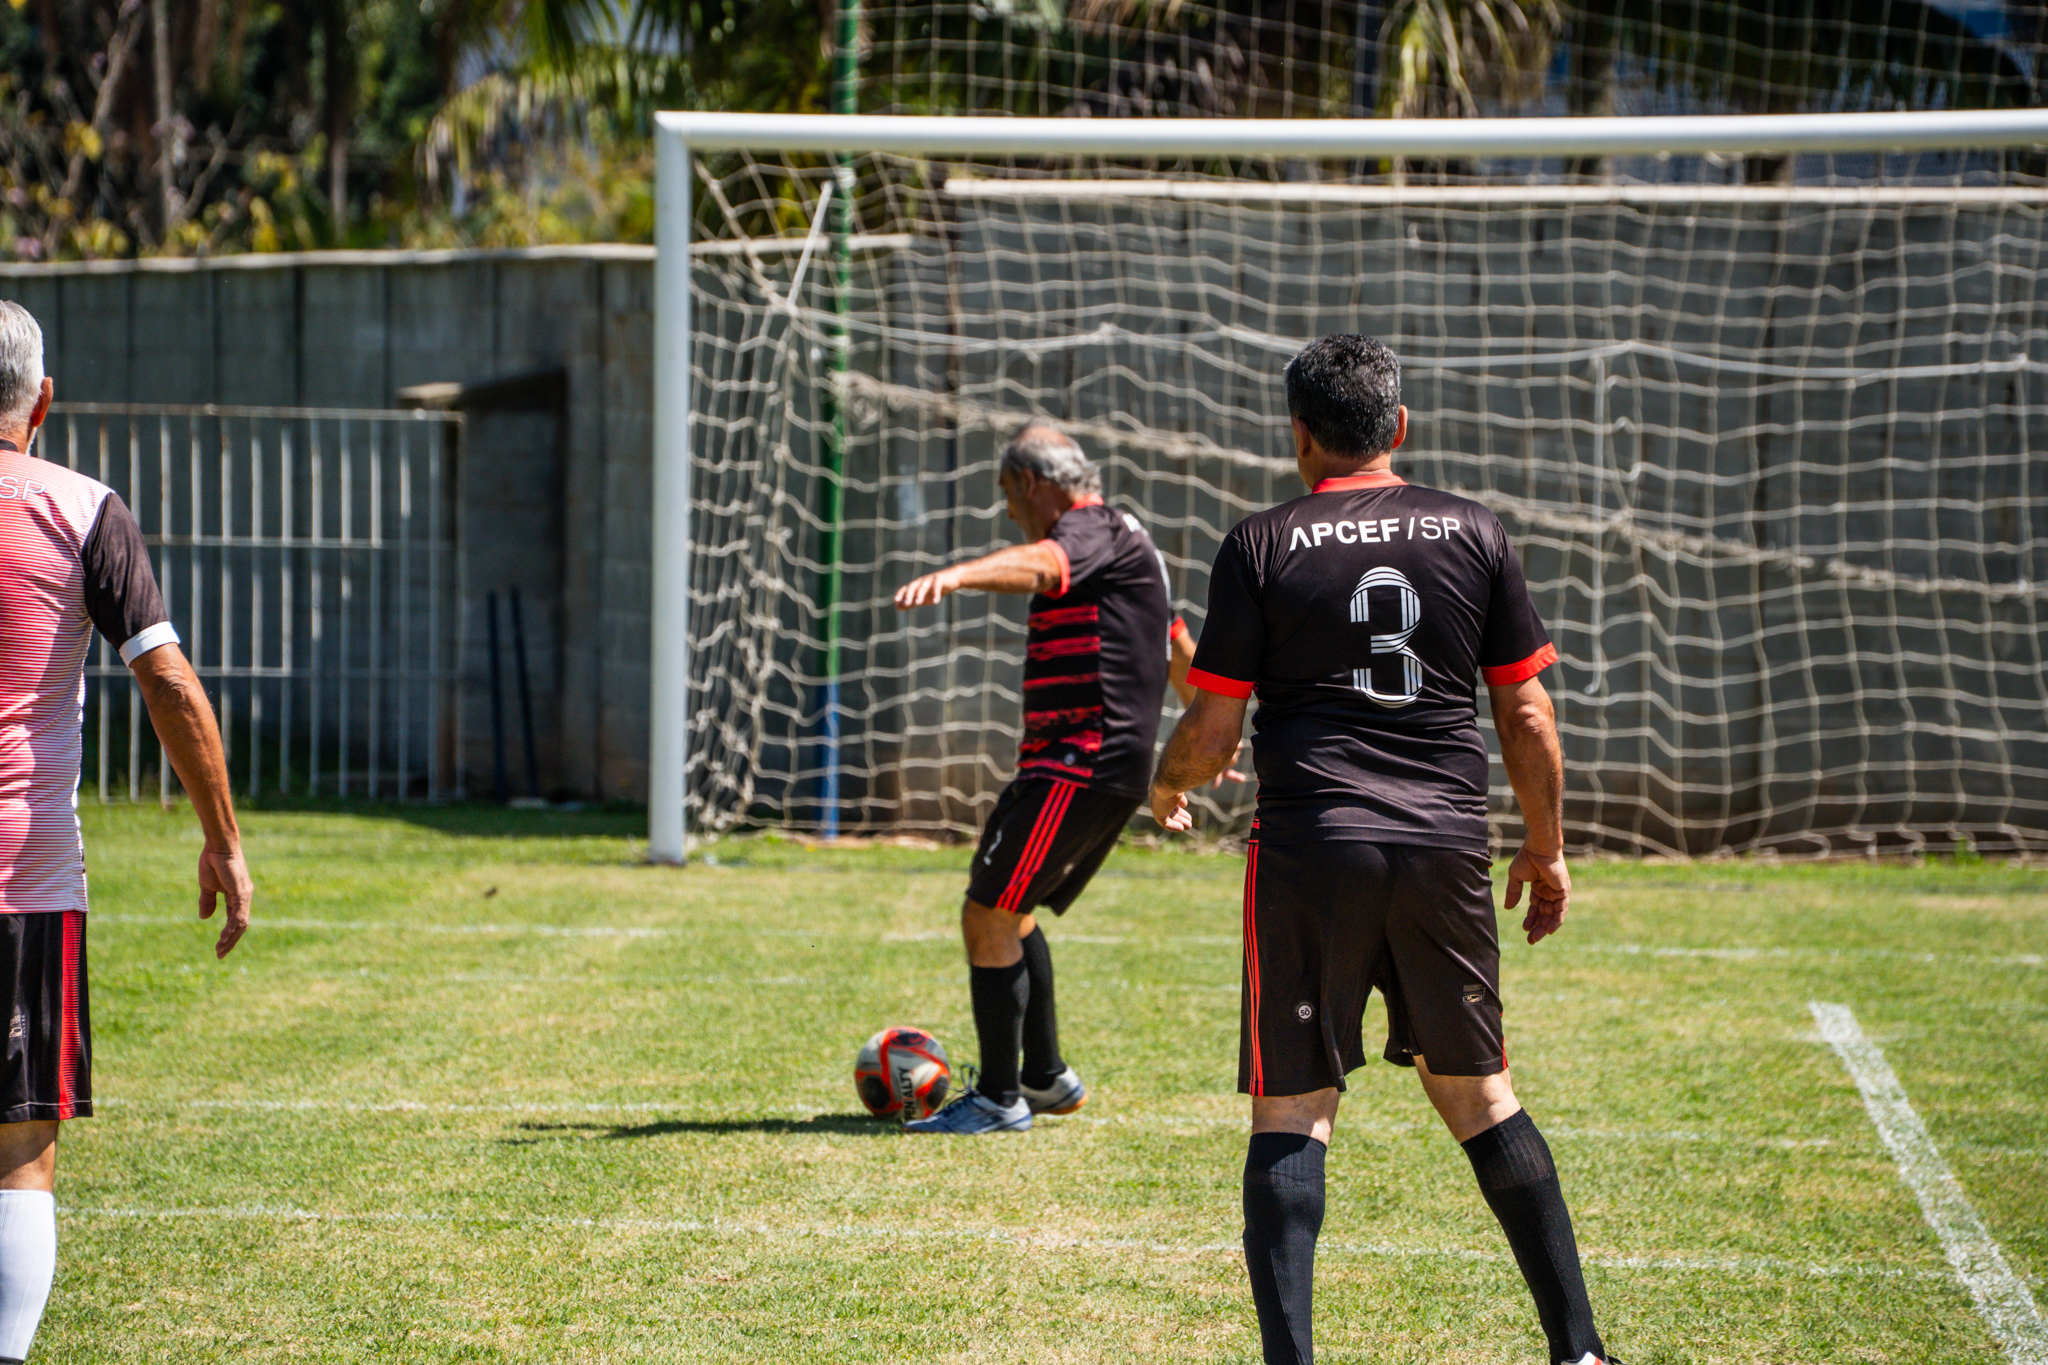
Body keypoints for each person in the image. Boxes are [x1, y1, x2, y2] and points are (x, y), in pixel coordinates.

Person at [1148, 335, 1621, 1365]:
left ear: (1298, 435)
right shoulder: (1475, 530)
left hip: (1310, 845)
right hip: (1443, 844)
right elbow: (1527, 715)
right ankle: (1580, 1352)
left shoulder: (1259, 543)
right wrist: (1544, 850)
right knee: (1480, 1095)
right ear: (1398, 426)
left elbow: (1215, 733)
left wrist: (1167, 781)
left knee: (1293, 1106)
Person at [0, 300, 253, 1363]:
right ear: (44, 402)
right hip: (23, 877)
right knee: (19, 1149)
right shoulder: (84, 510)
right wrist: (223, 840)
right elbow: (168, 681)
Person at [892, 424, 1234, 1135]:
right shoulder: (1128, 539)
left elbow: (1045, 566)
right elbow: (1176, 644)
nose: (1007, 510)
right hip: (1089, 765)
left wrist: (957, 574)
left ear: (1032, 483)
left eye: (1007, 493)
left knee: (987, 913)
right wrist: (1207, 727)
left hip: (1080, 761)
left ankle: (998, 1097)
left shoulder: (1088, 529)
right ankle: (1045, 1078)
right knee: (1013, 910)